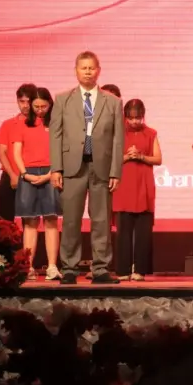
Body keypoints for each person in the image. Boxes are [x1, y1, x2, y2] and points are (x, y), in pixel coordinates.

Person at [50, 51, 125, 285]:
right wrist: (56, 168)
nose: (88, 72)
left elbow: (118, 140)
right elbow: (55, 135)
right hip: (72, 166)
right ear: (76, 71)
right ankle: (69, 268)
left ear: (98, 70)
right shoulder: (63, 100)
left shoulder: (113, 102)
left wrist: (115, 171)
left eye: (92, 68)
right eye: (83, 68)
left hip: (101, 166)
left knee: (101, 220)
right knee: (71, 220)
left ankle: (100, 268)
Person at [11, 87, 62, 280]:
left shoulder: (56, 123)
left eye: (44, 106)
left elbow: (61, 149)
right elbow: (16, 152)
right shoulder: (22, 124)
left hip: (51, 172)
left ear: (50, 105)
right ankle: (29, 267)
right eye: (36, 106)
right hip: (28, 174)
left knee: (51, 220)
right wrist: (25, 174)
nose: (40, 110)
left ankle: (52, 266)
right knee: (30, 222)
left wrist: (51, 173)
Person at [114, 99, 161, 281]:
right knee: (123, 230)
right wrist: (127, 156)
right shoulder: (118, 133)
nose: (134, 121)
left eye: (138, 118)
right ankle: (123, 270)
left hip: (143, 184)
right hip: (124, 185)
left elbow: (158, 159)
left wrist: (141, 156)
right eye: (131, 118)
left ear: (143, 116)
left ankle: (140, 269)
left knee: (143, 231)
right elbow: (110, 158)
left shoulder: (151, 133)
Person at [0, 83, 37, 222]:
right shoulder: (8, 124)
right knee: (4, 217)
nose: (25, 106)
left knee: (30, 220)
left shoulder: (41, 124)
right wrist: (13, 175)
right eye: (22, 101)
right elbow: (2, 153)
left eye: (29, 102)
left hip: (34, 175)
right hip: (10, 174)